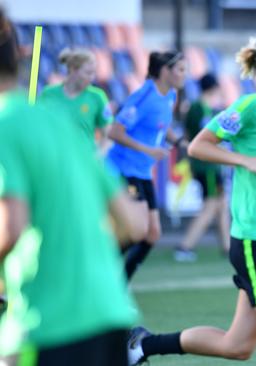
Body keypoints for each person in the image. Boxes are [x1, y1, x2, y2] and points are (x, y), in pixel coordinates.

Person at [126, 35, 256, 366]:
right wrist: (245, 160)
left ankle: (143, 345)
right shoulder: (252, 107)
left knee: (237, 346)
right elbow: (200, 145)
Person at [0, 9, 147, 365]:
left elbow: (10, 227)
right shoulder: (60, 123)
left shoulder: (6, 124)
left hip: (49, 322)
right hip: (109, 313)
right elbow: (134, 224)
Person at [106, 50, 187, 280]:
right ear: (164, 71)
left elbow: (162, 126)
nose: (185, 75)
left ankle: (119, 285)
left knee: (152, 234)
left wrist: (180, 141)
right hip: (124, 169)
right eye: (180, 70)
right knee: (137, 230)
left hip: (142, 172)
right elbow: (114, 131)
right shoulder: (143, 97)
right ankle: (103, 273)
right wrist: (148, 150)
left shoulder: (170, 95)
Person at [174, 73, 230, 262]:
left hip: (211, 164)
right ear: (214, 87)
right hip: (207, 165)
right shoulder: (199, 108)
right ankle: (185, 246)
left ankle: (227, 247)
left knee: (222, 204)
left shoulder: (207, 109)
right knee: (211, 204)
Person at [39, 48, 113, 153]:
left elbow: (108, 134)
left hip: (82, 163)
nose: (92, 78)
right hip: (54, 159)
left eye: (93, 73)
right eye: (88, 73)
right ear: (73, 70)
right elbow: (40, 127)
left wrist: (98, 156)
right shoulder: (49, 94)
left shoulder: (97, 97)